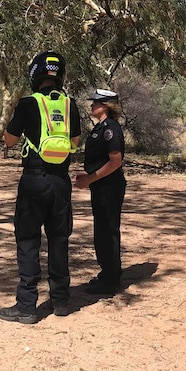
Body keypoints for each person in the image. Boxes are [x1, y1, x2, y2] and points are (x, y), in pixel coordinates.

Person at [0, 51, 81, 324]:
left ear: (35, 74)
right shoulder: (70, 105)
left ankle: (27, 306)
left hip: (33, 180)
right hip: (61, 181)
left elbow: (9, 141)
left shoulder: (27, 104)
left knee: (28, 240)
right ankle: (60, 301)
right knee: (59, 239)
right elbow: (76, 142)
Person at [74, 88, 126, 296]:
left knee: (107, 231)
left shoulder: (110, 129)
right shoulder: (100, 128)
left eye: (96, 103)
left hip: (109, 187)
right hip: (101, 185)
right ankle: (108, 274)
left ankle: (110, 280)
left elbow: (115, 161)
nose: (92, 106)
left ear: (106, 106)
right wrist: (88, 173)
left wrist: (90, 178)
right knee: (102, 230)